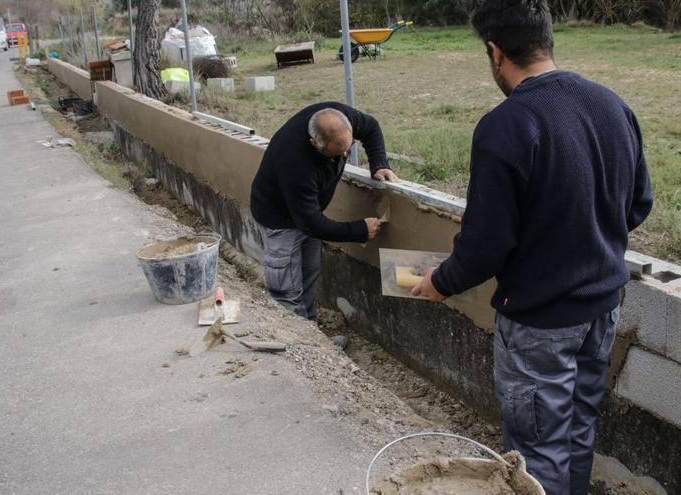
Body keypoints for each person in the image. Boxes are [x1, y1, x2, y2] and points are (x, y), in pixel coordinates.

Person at [410, 1, 653, 494]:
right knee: (578, 431)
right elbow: (639, 204)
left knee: (537, 449)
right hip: (602, 309)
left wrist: (440, 282)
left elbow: (486, 245)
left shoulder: (507, 125)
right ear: (547, 39)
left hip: (540, 322)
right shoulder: (612, 105)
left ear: (495, 52)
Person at [250, 102, 397, 320]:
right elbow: (311, 223)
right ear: (314, 143)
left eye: (348, 147)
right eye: (336, 153)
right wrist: (359, 230)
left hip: (307, 212)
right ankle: (296, 348)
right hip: (280, 220)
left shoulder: (340, 118)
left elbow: (371, 127)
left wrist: (380, 164)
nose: (344, 154)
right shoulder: (295, 162)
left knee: (309, 273)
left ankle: (310, 332)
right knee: (286, 291)